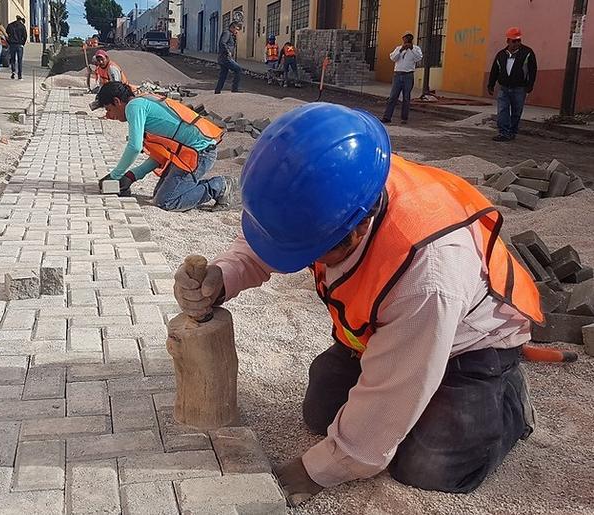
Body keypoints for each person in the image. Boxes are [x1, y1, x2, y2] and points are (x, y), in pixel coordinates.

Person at [173, 102, 541, 506]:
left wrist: (319, 470)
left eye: (314, 249)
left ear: (357, 226)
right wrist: (223, 277)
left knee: (428, 466)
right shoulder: (338, 183)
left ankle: (509, 405)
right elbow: (279, 236)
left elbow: (395, 389)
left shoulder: (427, 272)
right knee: (321, 412)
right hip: (384, 330)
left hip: (470, 344)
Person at [91, 82, 236, 211]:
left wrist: (115, 176)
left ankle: (220, 186)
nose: (109, 115)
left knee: (166, 201)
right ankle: (198, 186)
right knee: (160, 195)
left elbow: (134, 147)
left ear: (117, 101)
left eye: (108, 109)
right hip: (187, 154)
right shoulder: (142, 102)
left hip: (200, 153)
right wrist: (131, 176)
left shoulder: (133, 107)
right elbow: (160, 156)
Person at [488, 27, 537, 142]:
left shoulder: (527, 53)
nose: (516, 43)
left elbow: (532, 70)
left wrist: (530, 85)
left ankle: (512, 132)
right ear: (508, 41)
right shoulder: (501, 55)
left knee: (516, 111)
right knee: (502, 110)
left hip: (519, 88)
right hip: (504, 87)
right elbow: (495, 70)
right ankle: (503, 133)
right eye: (514, 41)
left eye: (518, 40)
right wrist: (491, 84)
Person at [381, 31, 422, 124]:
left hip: (408, 75)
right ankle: (387, 117)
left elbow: (418, 58)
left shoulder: (416, 49)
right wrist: (400, 50)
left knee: (406, 97)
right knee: (392, 97)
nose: (407, 39)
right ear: (403, 39)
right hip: (398, 75)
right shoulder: (398, 48)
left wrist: (411, 49)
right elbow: (393, 58)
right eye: (406, 37)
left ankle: (404, 118)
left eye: (409, 37)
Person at [215, 22, 243, 94]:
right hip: (225, 58)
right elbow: (222, 43)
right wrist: (228, 52)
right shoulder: (227, 33)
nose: (237, 31)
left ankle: (217, 90)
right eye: (236, 29)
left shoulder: (230, 34)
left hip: (223, 58)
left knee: (223, 75)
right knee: (238, 69)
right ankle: (235, 88)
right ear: (232, 28)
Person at [6, 16, 28, 80]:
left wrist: (9, 42)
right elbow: (25, 36)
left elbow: (6, 34)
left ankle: (13, 72)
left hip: (12, 44)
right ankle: (20, 75)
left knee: (12, 59)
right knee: (19, 60)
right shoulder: (22, 26)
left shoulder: (10, 25)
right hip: (19, 45)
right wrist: (22, 44)